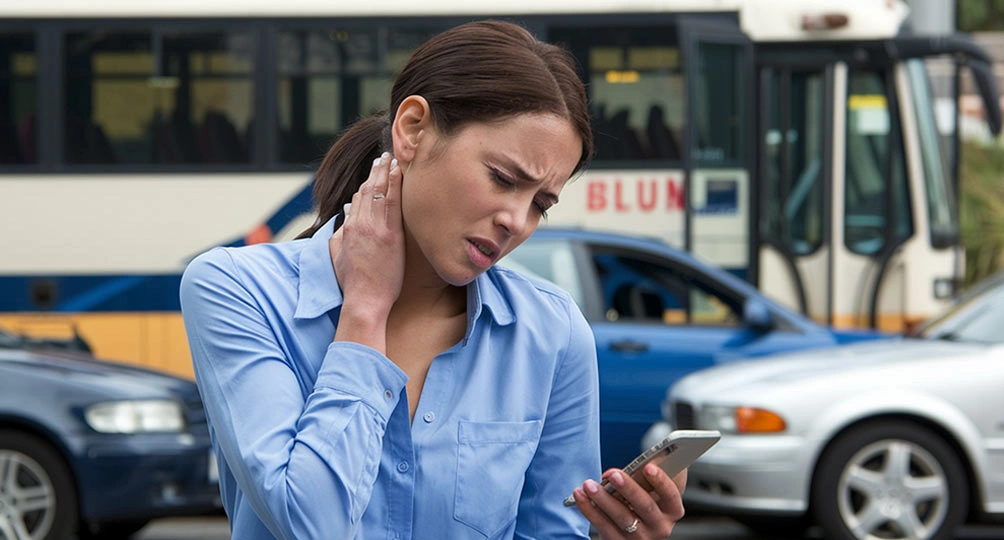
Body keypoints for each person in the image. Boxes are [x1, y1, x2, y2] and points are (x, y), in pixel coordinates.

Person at [180, 20, 687, 540]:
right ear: (414, 128)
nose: (517, 220)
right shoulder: (234, 290)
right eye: (504, 178)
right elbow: (313, 524)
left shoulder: (552, 333)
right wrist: (365, 310)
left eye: (541, 203)